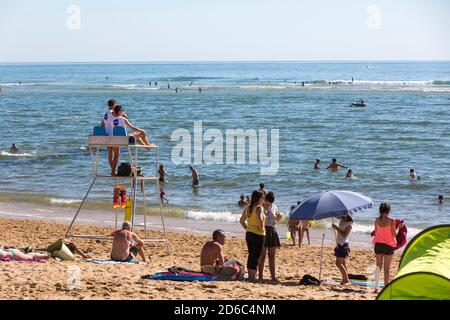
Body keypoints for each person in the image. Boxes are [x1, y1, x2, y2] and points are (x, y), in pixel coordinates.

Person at [372, 203, 405, 292]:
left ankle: (376, 288)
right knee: (387, 269)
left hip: (378, 244)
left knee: (378, 267)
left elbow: (375, 233)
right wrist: (399, 227)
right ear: (389, 211)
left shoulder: (376, 220)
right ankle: (386, 288)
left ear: (380, 210)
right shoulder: (391, 220)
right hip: (388, 245)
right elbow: (394, 234)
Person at [239, 190, 266, 282]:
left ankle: (251, 276)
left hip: (249, 234)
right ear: (259, 198)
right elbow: (260, 220)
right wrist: (262, 229)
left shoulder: (248, 207)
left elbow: (241, 221)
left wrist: (248, 229)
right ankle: (252, 277)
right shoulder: (259, 207)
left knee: (251, 255)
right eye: (263, 197)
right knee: (256, 256)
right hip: (258, 235)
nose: (264, 199)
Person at [258, 191, 282, 282]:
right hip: (263, 230)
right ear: (265, 199)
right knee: (262, 256)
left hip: (272, 230)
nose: (269, 203)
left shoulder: (275, 207)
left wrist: (279, 217)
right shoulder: (260, 207)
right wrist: (265, 208)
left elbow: (276, 220)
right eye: (268, 201)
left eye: (271, 202)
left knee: (272, 256)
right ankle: (260, 276)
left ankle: (273, 277)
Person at [101, 99, 128, 176]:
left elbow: (102, 125)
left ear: (108, 105)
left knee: (110, 155)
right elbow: (125, 117)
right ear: (114, 105)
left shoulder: (105, 113)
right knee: (117, 154)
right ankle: (113, 171)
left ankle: (113, 171)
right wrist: (122, 112)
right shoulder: (113, 112)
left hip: (107, 135)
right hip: (114, 135)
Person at [332, 215, 353, 285]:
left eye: (345, 215)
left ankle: (346, 280)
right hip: (339, 244)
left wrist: (336, 228)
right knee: (343, 263)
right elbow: (336, 216)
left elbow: (344, 235)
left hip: (343, 245)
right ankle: (345, 279)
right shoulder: (342, 219)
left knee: (338, 263)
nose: (343, 216)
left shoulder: (349, 225)